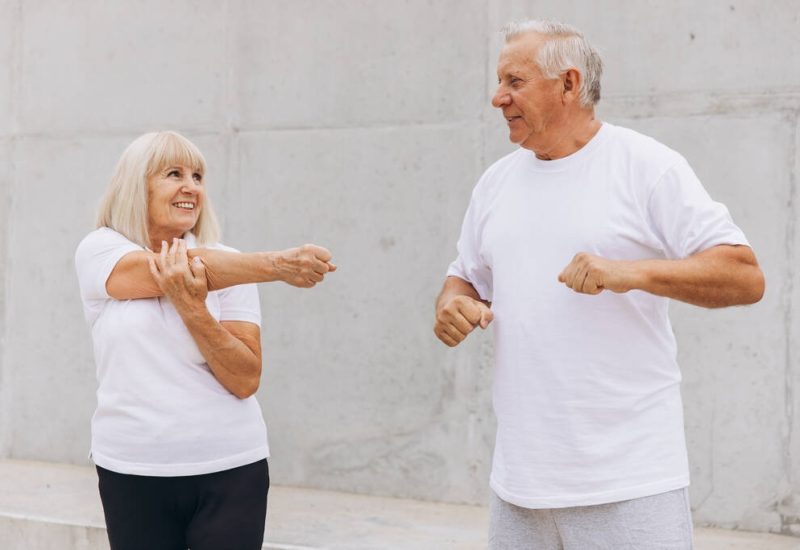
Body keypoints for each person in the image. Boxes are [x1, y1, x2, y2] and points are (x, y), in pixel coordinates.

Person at [433, 20, 764, 549]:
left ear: (568, 84)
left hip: (628, 484)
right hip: (520, 487)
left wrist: (630, 273)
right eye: (499, 82)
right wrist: (453, 304)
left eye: (514, 82)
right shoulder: (495, 183)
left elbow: (744, 275)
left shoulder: (646, 166)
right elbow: (464, 279)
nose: (498, 98)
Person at [75, 131, 336, 550]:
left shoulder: (230, 264)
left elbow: (244, 379)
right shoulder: (100, 250)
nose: (191, 187)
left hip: (230, 467)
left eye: (198, 176)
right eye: (173, 174)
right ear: (135, 185)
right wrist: (277, 265)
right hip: (132, 467)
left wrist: (193, 308)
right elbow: (166, 269)